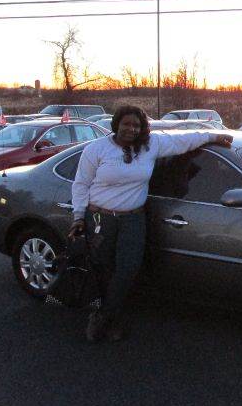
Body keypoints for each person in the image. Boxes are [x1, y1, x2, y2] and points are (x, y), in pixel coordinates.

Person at [68, 105, 232, 342]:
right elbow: (81, 184)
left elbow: (183, 140)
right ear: (116, 124)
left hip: (133, 218)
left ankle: (102, 316)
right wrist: (77, 216)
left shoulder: (150, 145)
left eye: (136, 125)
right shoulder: (97, 149)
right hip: (100, 218)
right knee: (104, 270)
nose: (131, 129)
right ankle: (113, 321)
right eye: (126, 124)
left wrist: (213, 136)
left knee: (128, 269)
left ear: (142, 128)